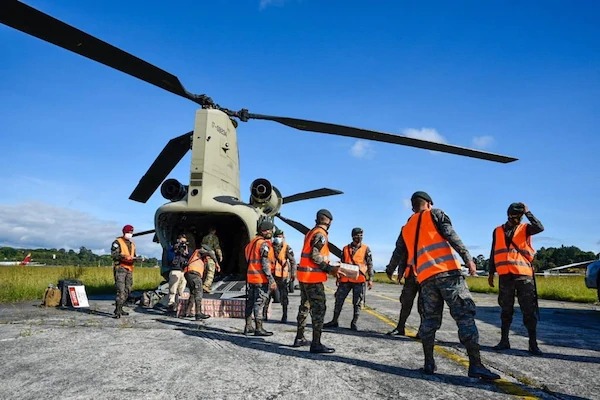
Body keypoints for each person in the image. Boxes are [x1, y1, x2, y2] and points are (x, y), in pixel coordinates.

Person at [389, 191, 500, 380]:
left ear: (412, 207)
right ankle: (475, 365)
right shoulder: (435, 214)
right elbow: (451, 236)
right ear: (429, 203)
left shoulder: (406, 227)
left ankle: (429, 364)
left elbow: (398, 252)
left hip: (425, 279)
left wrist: (391, 270)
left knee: (429, 321)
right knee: (464, 316)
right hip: (448, 274)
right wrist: (468, 258)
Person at [487, 202, 544, 355]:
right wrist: (491, 272)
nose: (517, 219)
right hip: (505, 276)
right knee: (506, 310)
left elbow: (540, 227)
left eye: (520, 216)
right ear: (509, 215)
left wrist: (528, 212)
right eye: (515, 215)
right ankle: (504, 340)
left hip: (523, 276)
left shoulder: (526, 228)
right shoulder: (498, 231)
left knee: (529, 310)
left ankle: (533, 343)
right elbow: (493, 252)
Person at [293, 209, 341, 354]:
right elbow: (315, 255)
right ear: (329, 221)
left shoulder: (311, 232)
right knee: (319, 310)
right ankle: (316, 344)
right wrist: (329, 268)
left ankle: (299, 337)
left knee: (304, 307)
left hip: (303, 277)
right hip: (312, 279)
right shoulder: (321, 234)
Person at [324, 227, 374, 331]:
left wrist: (370, 279)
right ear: (352, 236)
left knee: (357, 303)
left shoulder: (366, 249)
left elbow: (370, 264)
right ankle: (334, 321)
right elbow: (342, 263)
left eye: (361, 235)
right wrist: (338, 277)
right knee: (339, 300)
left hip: (359, 279)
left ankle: (354, 323)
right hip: (345, 279)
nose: (359, 237)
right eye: (357, 235)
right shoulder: (345, 248)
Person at [244, 220, 278, 336]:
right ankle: (259, 328)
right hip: (260, 278)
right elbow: (265, 264)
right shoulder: (263, 244)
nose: (271, 233)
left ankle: (248, 326)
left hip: (251, 277)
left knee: (250, 303)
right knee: (259, 303)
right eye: (270, 230)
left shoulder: (251, 244)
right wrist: (271, 280)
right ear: (266, 231)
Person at [263, 228, 297, 323]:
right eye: (277, 237)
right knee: (267, 295)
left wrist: (293, 273)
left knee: (284, 296)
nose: (278, 238)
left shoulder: (287, 248)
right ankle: (264, 315)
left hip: (282, 276)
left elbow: (293, 261)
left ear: (283, 237)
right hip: (272, 275)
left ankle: (284, 316)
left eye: (280, 237)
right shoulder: (269, 246)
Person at [385, 254, 421, 338]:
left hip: (425, 277)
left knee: (424, 306)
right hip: (410, 277)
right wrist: (400, 272)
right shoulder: (408, 241)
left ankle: (423, 331)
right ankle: (400, 328)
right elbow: (402, 255)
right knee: (405, 303)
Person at [111, 224, 139, 319]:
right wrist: (123, 257)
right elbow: (114, 255)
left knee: (128, 289)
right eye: (128, 232)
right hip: (121, 268)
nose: (130, 234)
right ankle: (117, 311)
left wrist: (137, 259)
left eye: (131, 232)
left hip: (129, 269)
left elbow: (133, 255)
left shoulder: (132, 244)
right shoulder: (117, 242)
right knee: (120, 290)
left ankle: (121, 307)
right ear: (124, 232)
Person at [183, 245, 211, 320]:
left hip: (189, 274)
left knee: (193, 293)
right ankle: (198, 313)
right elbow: (208, 252)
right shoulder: (198, 251)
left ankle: (187, 312)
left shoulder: (201, 259)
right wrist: (216, 262)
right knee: (199, 292)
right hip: (193, 274)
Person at [166, 233, 189, 313]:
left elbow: (189, 256)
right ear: (178, 240)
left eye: (184, 242)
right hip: (175, 269)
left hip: (183, 270)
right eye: (182, 241)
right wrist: (175, 249)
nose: (183, 243)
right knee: (173, 288)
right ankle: (171, 304)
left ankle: (179, 303)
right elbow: (169, 258)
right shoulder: (172, 248)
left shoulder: (185, 249)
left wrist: (185, 250)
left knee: (182, 287)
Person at [201, 227, 223, 293]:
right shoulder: (214, 238)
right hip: (210, 256)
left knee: (205, 271)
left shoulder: (204, 238)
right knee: (211, 271)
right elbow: (217, 247)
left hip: (204, 256)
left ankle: (203, 284)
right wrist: (220, 255)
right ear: (214, 231)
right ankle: (206, 286)